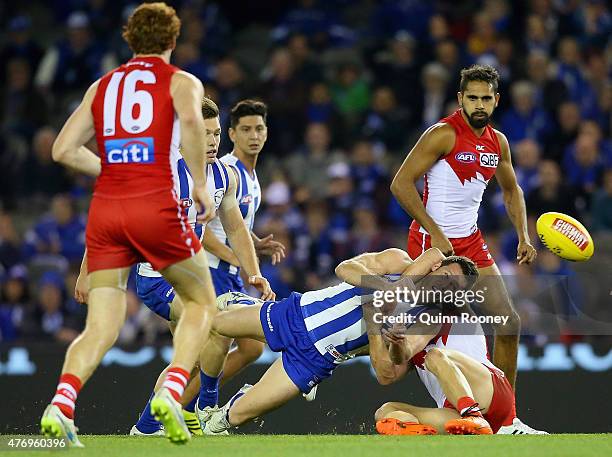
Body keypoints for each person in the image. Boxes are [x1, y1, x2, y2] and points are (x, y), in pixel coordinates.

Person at [40, 3, 217, 446]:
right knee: (201, 302)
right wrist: (198, 183)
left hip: (107, 209)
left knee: (101, 326)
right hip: (156, 204)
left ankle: (61, 405)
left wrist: (110, 170)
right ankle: (173, 391)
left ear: (129, 40)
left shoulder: (102, 86)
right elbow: (193, 123)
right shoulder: (181, 81)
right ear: (173, 41)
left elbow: (62, 150)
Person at [198, 247, 480, 435]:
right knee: (216, 325)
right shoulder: (398, 261)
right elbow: (345, 267)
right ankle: (242, 307)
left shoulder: (428, 321)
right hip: (297, 315)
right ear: (436, 267)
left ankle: (233, 402)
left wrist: (377, 322)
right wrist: (386, 288)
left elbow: (386, 374)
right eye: (445, 277)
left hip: (313, 361)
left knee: (227, 421)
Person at [129, 97, 274, 437]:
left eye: (214, 134)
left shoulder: (224, 175)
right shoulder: (161, 175)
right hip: (157, 278)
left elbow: (237, 228)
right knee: (212, 320)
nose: (211, 142)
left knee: (207, 337)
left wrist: (254, 272)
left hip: (191, 277)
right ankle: (205, 406)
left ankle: (151, 425)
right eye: (203, 134)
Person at [391, 64, 536, 392]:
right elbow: (400, 184)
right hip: (431, 244)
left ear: (496, 100)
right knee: (449, 327)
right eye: (472, 98)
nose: (479, 105)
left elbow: (512, 190)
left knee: (509, 323)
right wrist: (436, 231)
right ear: (460, 98)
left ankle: (506, 414)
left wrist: (524, 235)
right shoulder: (442, 134)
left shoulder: (499, 143)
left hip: (469, 243)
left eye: (486, 98)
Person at [192, 99, 287, 419]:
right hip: (210, 271)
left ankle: (182, 408)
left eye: (259, 128)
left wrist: (255, 244)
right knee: (241, 345)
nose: (253, 135)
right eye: (245, 129)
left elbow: (234, 225)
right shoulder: (226, 171)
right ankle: (182, 409)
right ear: (230, 133)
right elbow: (197, 228)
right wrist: (238, 258)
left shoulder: (250, 175)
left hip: (228, 273)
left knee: (245, 348)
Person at [374, 318, 548, 435]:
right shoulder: (408, 329)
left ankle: (476, 416)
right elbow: (387, 375)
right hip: (455, 416)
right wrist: (373, 326)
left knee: (435, 356)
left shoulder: (447, 309)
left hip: (489, 390)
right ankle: (420, 436)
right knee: (385, 412)